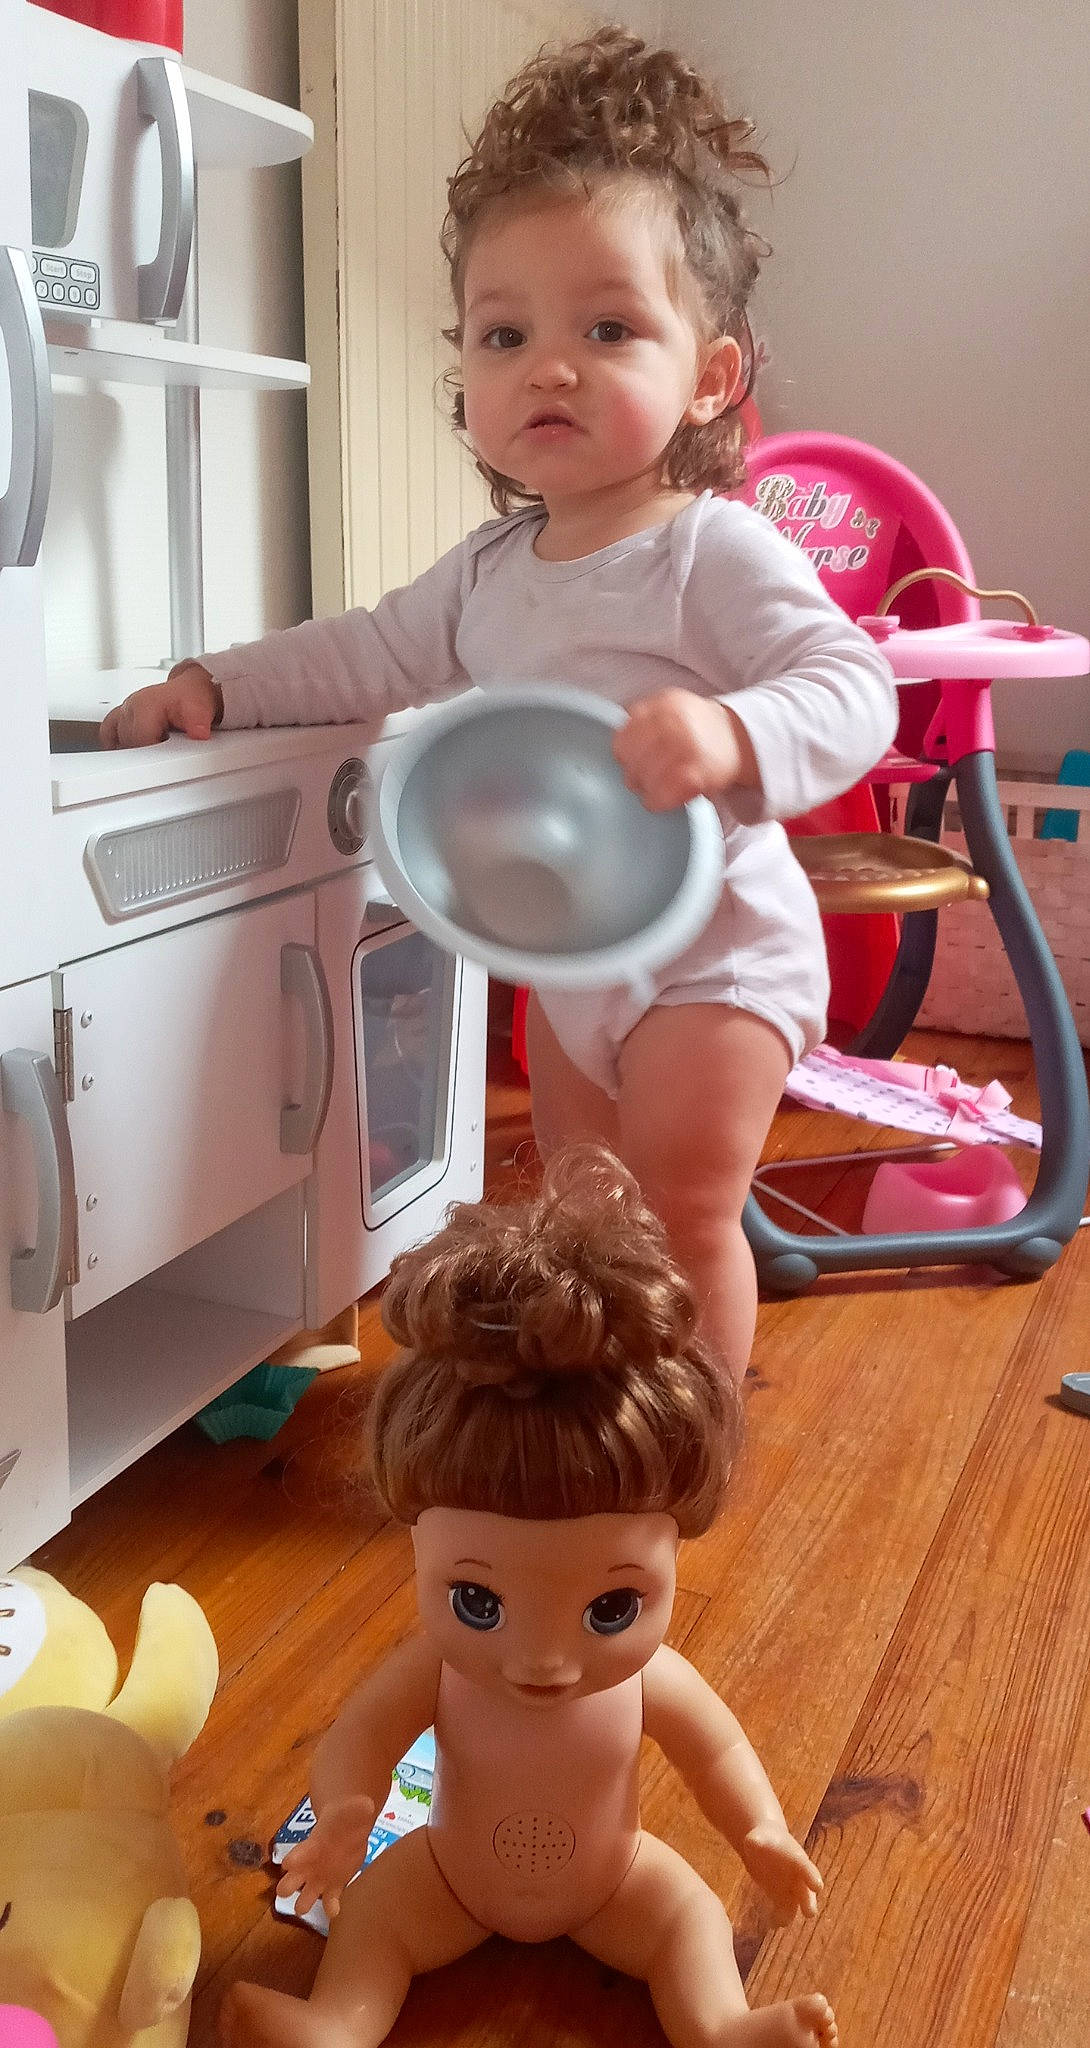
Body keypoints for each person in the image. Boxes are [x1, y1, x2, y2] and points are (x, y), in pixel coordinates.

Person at [100, 26, 897, 1383]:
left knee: (687, 1210)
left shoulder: (712, 546)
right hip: (569, 963)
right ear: (464, 369)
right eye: (505, 332)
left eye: (607, 328)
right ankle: (594, 1406)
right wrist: (214, 684)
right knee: (587, 1215)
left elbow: (852, 686)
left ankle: (687, 1436)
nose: (551, 366)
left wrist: (730, 733)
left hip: (714, 956)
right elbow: (362, 655)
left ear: (708, 374)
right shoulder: (487, 575)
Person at [219, 1147, 838, 2048]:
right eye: (477, 1603)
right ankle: (337, 2024)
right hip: (450, 1877)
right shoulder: (433, 1671)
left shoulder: (649, 1682)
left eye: (610, 1611)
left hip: (612, 1881)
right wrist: (348, 1811)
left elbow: (718, 1749)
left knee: (688, 1918)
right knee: (378, 1919)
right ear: (416, 1545)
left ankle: (717, 2026)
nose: (540, 1659)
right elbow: (360, 1737)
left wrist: (760, 1830)